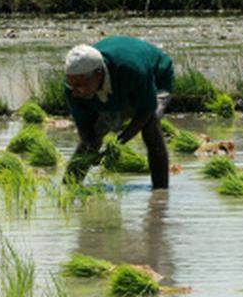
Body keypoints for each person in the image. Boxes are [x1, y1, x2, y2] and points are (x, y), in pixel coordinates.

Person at [63, 37, 175, 189]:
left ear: (98, 73)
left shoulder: (131, 70)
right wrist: (90, 147)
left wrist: (118, 143)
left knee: (150, 126)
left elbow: (147, 109)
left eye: (79, 86)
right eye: (71, 85)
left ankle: (160, 193)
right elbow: (84, 124)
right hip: (115, 87)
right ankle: (68, 188)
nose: (74, 92)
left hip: (155, 77)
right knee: (91, 139)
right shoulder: (73, 87)